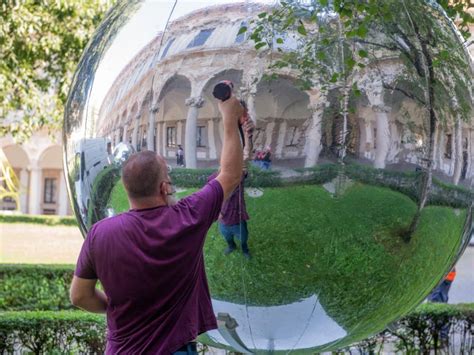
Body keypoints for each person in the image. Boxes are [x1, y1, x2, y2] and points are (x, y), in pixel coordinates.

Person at [69, 96, 247, 354]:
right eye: (169, 177)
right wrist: (230, 116)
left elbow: (79, 296)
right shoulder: (188, 217)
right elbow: (230, 174)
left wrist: (117, 308)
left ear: (128, 189)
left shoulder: (100, 233)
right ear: (164, 188)